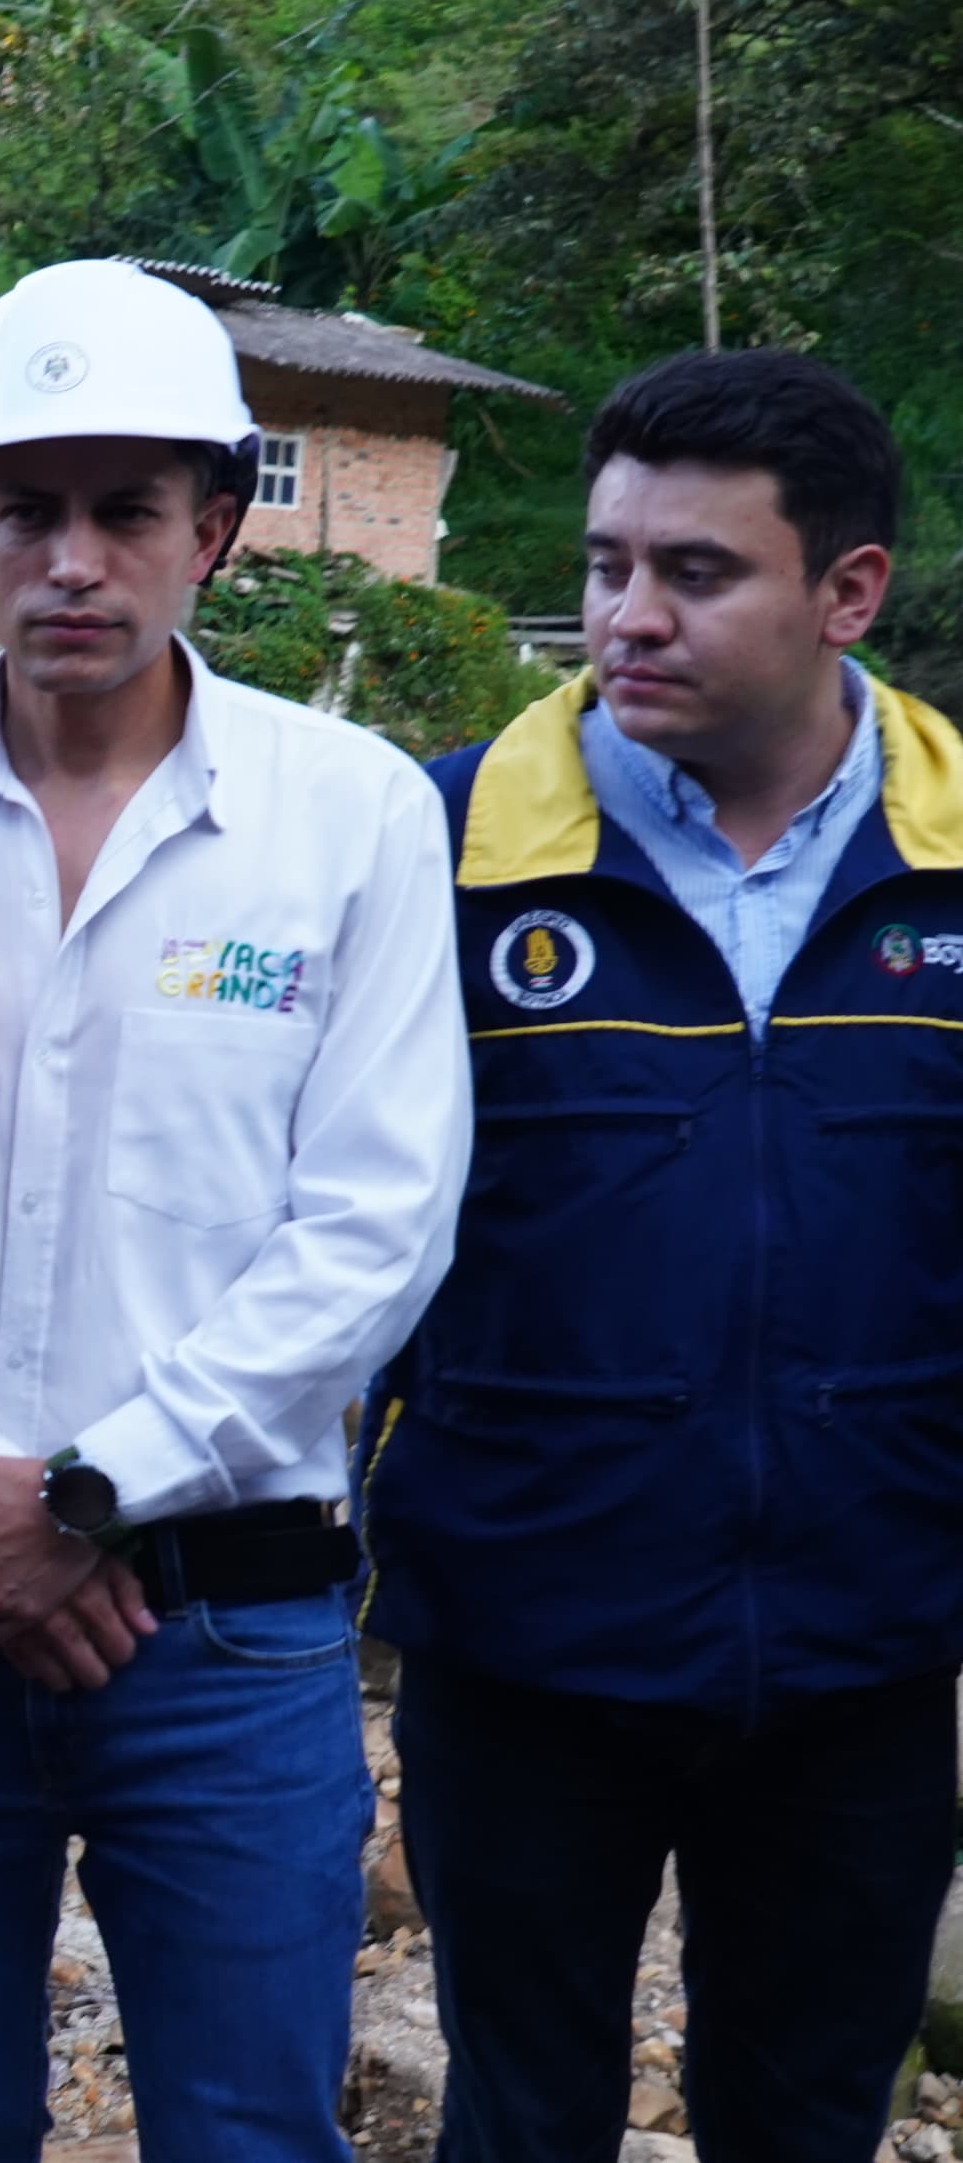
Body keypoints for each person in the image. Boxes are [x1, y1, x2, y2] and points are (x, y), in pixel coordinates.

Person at [0, 260, 470, 2158]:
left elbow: (377, 1223)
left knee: (250, 2127)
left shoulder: (347, 814)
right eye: (25, 511)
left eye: (127, 510)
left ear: (217, 526)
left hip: (231, 1630)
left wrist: (93, 1493)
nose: (74, 563)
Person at [368, 349, 962, 2163]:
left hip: (870, 1645)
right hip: (523, 1644)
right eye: (610, 562)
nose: (626, 615)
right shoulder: (437, 851)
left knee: (808, 2119)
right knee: (520, 2116)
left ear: (848, 591)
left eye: (696, 573)